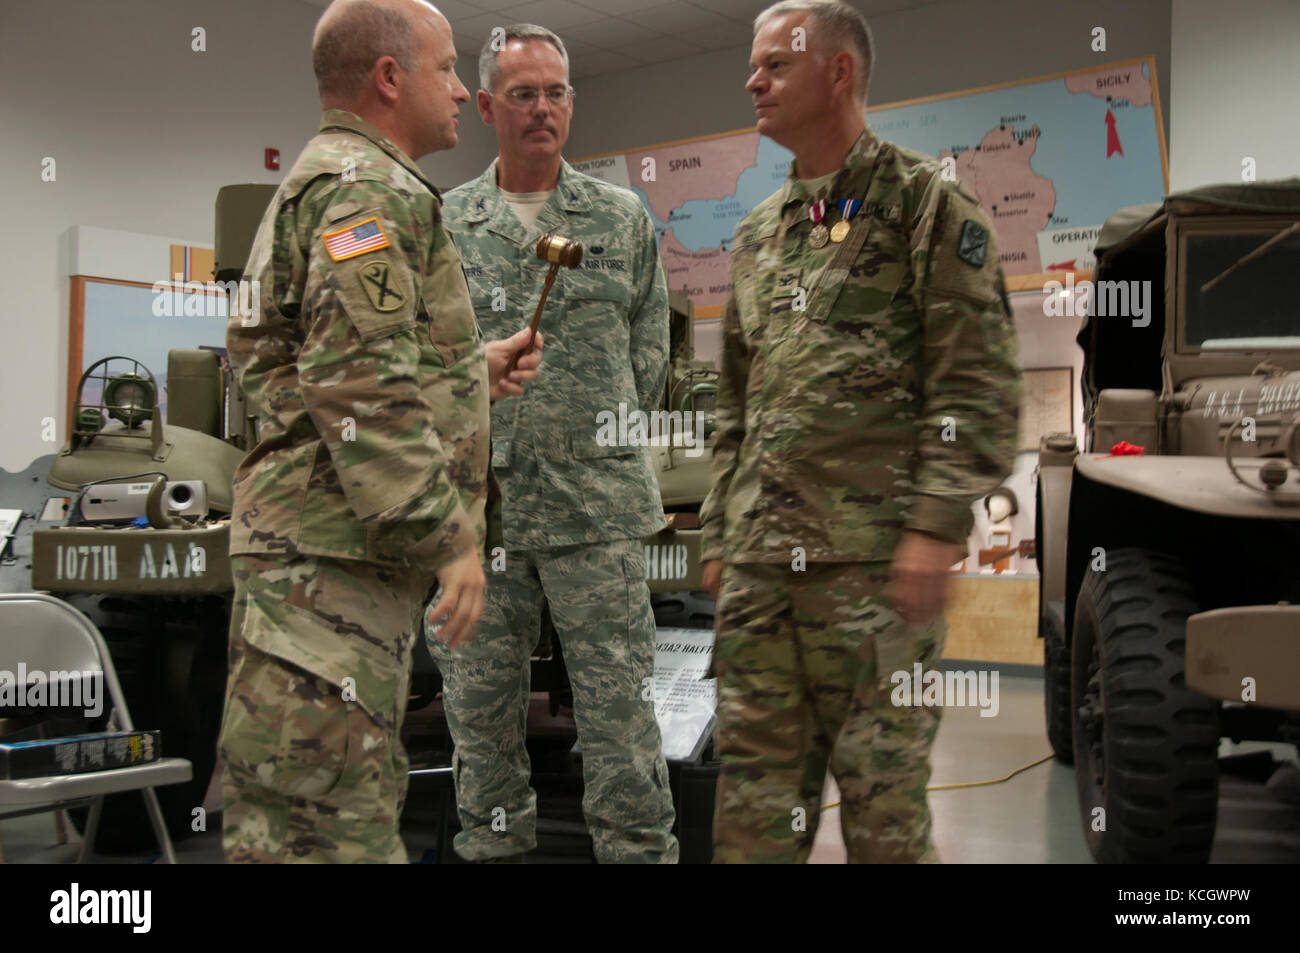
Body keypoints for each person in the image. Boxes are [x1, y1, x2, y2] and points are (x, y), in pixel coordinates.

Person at [219, 0, 542, 864]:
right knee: (324, 831)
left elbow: (309, 368)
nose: (461, 88)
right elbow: (357, 378)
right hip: (326, 568)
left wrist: (469, 374)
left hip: (326, 558)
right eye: (446, 68)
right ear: (389, 78)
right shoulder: (366, 186)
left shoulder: (338, 177)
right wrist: (450, 538)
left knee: (315, 812)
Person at [699, 0, 1021, 863]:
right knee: (751, 819)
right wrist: (723, 533)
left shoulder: (925, 206)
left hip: (874, 576)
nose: (752, 80)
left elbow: (976, 382)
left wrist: (932, 527)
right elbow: (738, 401)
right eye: (754, 63)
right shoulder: (760, 234)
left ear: (837, 71)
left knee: (885, 820)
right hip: (763, 579)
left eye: (773, 64)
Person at [430, 24, 677, 864]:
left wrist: (596, 435)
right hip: (479, 518)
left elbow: (652, 349)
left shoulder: (618, 217)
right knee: (480, 717)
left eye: (558, 92)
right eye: (525, 93)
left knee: (622, 720)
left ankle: (638, 853)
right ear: (489, 106)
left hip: (596, 509)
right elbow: (417, 357)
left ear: (573, 101)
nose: (543, 109)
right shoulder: (446, 223)